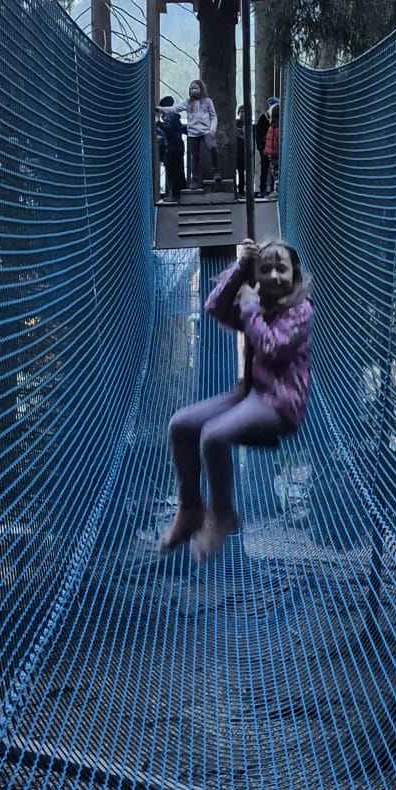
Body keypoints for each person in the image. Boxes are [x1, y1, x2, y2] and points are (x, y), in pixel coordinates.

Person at [159, 237, 312, 560]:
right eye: (265, 269)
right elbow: (215, 307)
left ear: (295, 275)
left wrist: (251, 307)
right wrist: (241, 268)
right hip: (250, 394)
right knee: (181, 425)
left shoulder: (300, 310)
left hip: (279, 402)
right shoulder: (258, 303)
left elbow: (271, 348)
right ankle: (190, 509)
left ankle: (222, 514)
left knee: (213, 436)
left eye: (281, 269)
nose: (273, 276)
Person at [182, 77, 218, 187]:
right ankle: (194, 180)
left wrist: (212, 128)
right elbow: (176, 108)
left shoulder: (207, 102)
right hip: (193, 133)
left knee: (212, 147)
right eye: (191, 88)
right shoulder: (188, 102)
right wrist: (163, 109)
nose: (193, 90)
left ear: (201, 89)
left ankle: (216, 171)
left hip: (205, 131)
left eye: (195, 88)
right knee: (195, 156)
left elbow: (213, 116)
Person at [156, 95, 184, 199]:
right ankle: (181, 193)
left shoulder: (169, 116)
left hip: (172, 148)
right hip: (178, 146)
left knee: (171, 172)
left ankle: (174, 195)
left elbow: (168, 129)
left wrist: (158, 123)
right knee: (178, 171)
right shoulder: (174, 115)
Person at [263, 99, 281, 192]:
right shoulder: (277, 125)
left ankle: (276, 190)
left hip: (274, 152)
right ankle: (276, 189)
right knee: (276, 171)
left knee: (276, 171)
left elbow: (274, 140)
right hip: (274, 152)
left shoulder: (274, 125)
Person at [255, 104, 271, 196]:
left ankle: (272, 188)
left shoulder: (276, 118)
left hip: (272, 147)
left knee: (272, 169)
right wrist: (260, 147)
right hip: (265, 148)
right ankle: (262, 189)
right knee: (264, 168)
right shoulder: (263, 118)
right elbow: (258, 134)